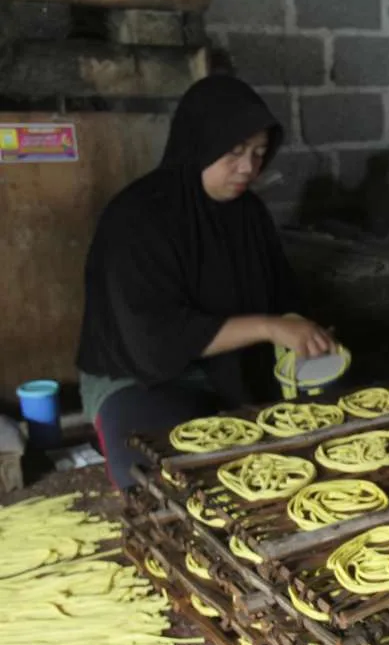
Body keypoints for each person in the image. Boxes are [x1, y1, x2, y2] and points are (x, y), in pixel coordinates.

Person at [76, 75, 334, 489]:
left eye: (259, 153)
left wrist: (302, 329)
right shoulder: (138, 217)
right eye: (234, 152)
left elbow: (282, 297)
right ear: (200, 143)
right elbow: (154, 340)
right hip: (138, 373)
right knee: (166, 480)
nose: (248, 167)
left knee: (297, 453)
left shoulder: (248, 214)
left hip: (227, 365)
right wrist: (269, 327)